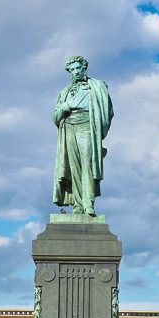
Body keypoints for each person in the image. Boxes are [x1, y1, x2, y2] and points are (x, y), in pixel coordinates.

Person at [52, 55, 114, 217]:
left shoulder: (97, 86)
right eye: (71, 70)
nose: (75, 72)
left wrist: (99, 131)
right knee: (73, 168)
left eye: (78, 68)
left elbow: (108, 111)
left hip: (87, 125)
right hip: (68, 127)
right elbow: (55, 118)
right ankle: (78, 205)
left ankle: (88, 203)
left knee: (87, 163)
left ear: (84, 68)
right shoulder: (64, 92)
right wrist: (66, 106)